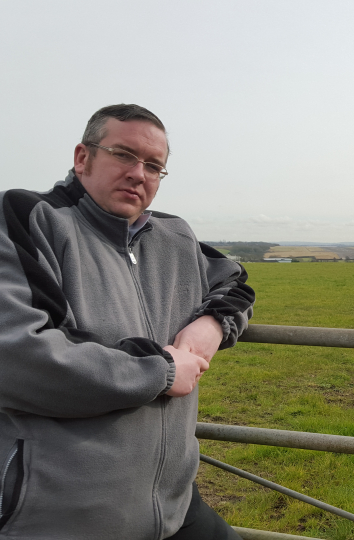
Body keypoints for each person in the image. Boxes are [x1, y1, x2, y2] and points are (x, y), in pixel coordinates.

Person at [0, 104, 255, 539]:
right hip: (61, 515)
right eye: (123, 155)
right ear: (83, 158)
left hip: (171, 506)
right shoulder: (28, 218)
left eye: (154, 166)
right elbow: (19, 355)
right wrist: (163, 369)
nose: (139, 174)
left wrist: (212, 324)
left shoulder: (175, 236)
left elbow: (234, 284)